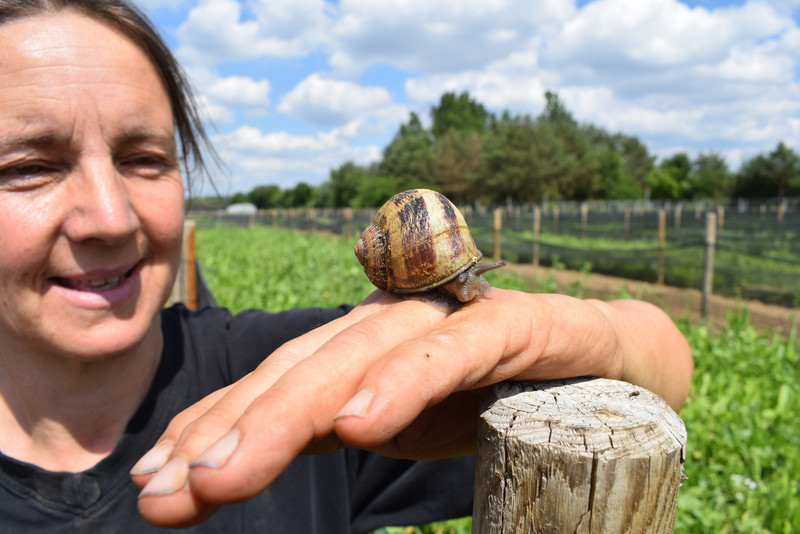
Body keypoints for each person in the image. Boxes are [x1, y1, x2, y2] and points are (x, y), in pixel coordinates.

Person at [0, 0, 693, 531]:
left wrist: (603, 336)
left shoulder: (307, 386)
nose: (112, 216)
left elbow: (664, 359)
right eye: (28, 168)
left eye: (144, 159)